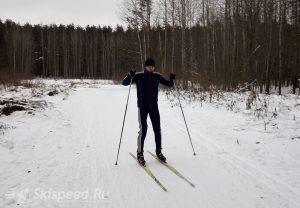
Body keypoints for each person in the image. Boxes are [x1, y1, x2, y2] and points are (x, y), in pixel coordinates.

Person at [122, 58, 175, 166]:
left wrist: (172, 79)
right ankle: (140, 153)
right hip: (142, 107)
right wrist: (129, 75)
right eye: (149, 66)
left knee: (157, 129)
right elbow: (124, 83)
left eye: (152, 66)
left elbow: (169, 84)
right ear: (145, 66)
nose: (151, 68)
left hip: (154, 108)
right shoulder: (138, 76)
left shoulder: (157, 76)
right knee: (143, 129)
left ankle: (159, 151)